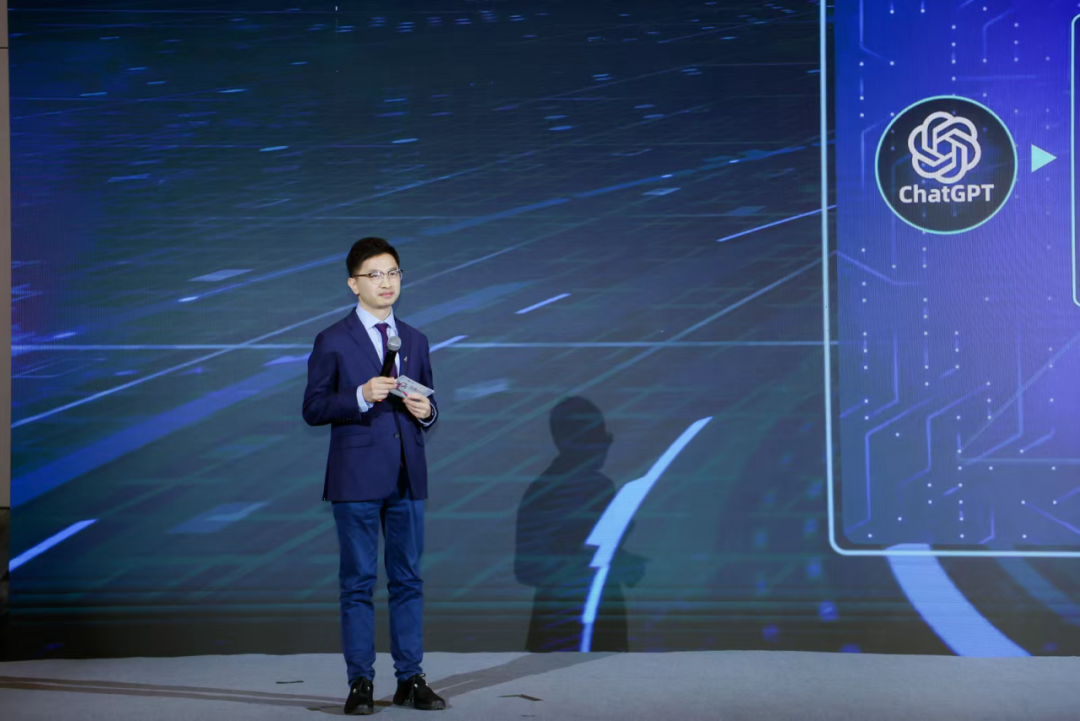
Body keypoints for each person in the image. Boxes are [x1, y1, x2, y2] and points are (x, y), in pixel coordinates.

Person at [303, 237, 447, 715]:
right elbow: (313, 408)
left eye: (393, 273)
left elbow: (428, 402)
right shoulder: (332, 339)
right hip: (356, 477)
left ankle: (411, 678)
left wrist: (427, 412)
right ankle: (361, 681)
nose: (387, 283)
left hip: (408, 474)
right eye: (375, 274)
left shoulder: (415, 339)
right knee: (358, 582)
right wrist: (361, 395)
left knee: (408, 580)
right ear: (353, 284)